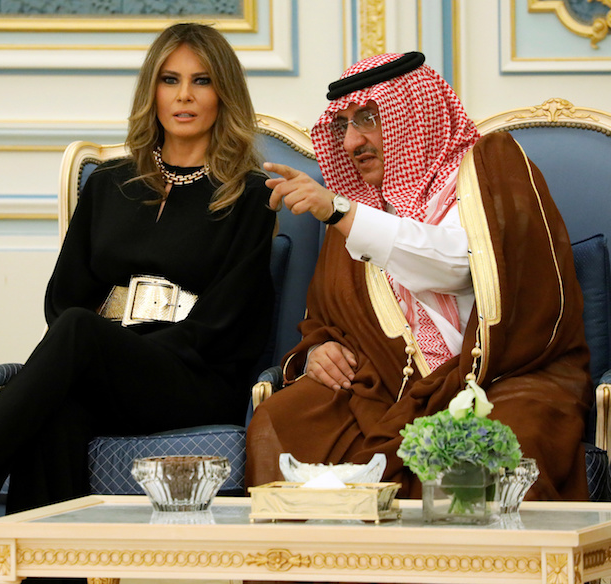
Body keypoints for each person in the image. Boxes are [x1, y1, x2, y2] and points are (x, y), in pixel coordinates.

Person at [0, 22, 276, 581]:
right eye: (170, 80)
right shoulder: (109, 184)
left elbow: (230, 321)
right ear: (151, 91)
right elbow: (64, 298)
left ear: (223, 93)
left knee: (82, 335)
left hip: (193, 376)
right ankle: (48, 573)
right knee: (58, 409)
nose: (184, 96)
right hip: (102, 366)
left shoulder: (251, 194)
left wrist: (120, 350)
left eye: (201, 81)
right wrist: (107, 356)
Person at [245, 51, 592, 501]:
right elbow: (330, 315)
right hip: (388, 388)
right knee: (282, 421)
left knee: (505, 447)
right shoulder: (355, 206)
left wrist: (340, 211)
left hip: (505, 377)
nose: (351, 142)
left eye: (367, 118)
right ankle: (319, 570)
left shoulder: (491, 169)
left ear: (413, 113)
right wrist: (320, 349)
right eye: (342, 126)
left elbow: (457, 265)